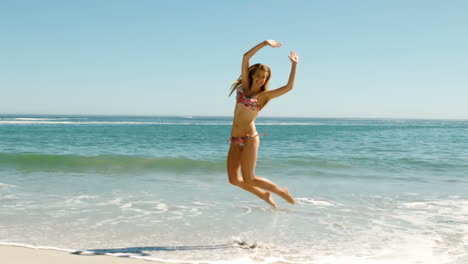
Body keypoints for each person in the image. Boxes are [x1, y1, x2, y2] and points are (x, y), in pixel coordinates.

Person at [227, 40, 298, 208]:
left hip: (250, 138)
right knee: (233, 180)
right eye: (258, 75)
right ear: (252, 75)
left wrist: (294, 65)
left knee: (249, 178)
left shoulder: (263, 96)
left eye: (263, 77)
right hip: (235, 139)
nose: (260, 79)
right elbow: (246, 58)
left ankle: (280, 192)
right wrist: (264, 43)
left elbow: (289, 87)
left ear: (266, 79)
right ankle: (264, 195)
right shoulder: (244, 87)